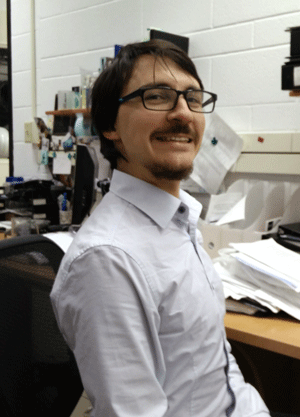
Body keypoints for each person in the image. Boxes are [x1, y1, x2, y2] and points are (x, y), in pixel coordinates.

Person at [51, 39, 285, 416]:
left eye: (193, 98)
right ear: (110, 125)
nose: (183, 113)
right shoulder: (108, 261)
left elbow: (217, 361)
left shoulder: (179, 220)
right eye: (157, 97)